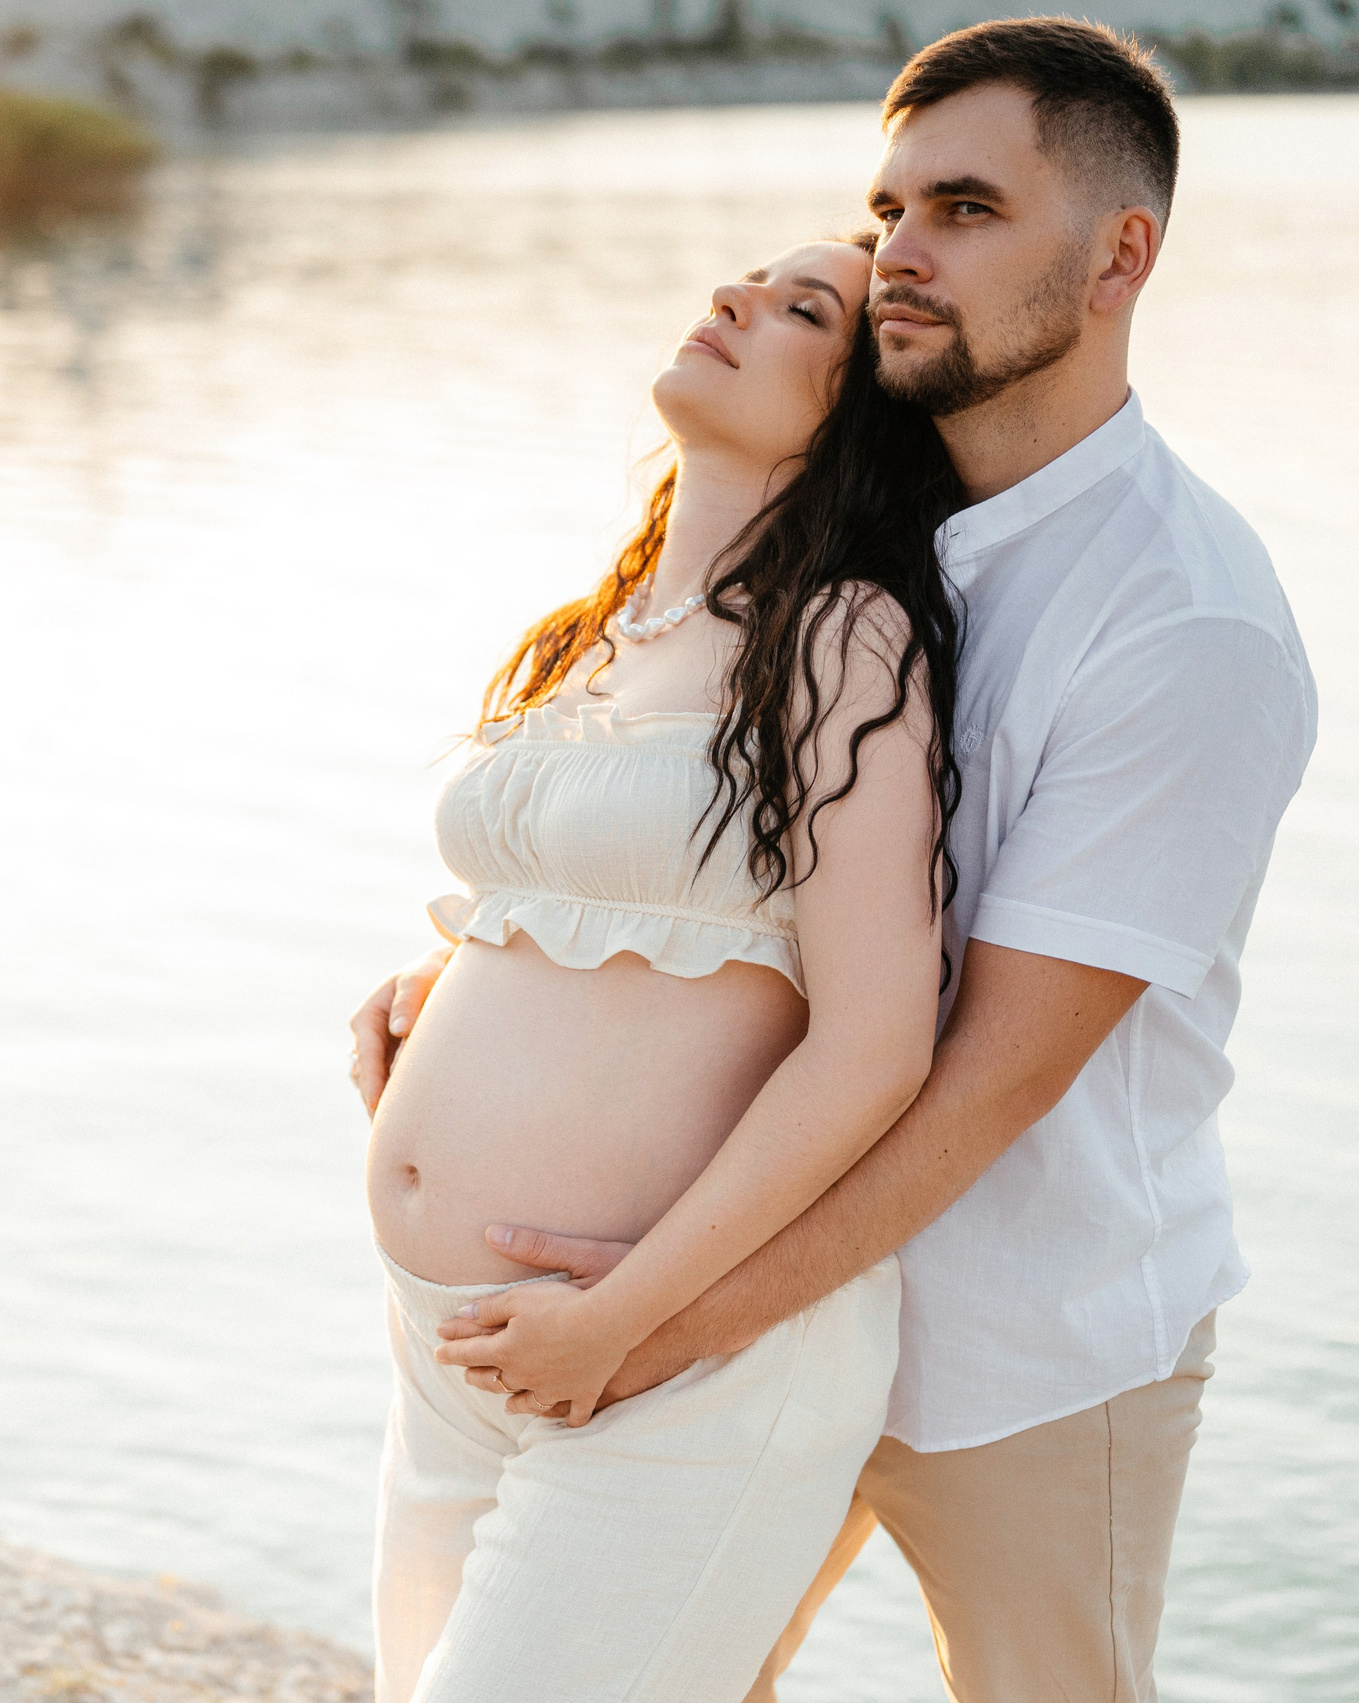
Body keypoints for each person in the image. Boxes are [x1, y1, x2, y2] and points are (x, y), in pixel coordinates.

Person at [354, 20, 1317, 1702]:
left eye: (962, 208)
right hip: (729, 1279)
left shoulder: (1184, 623)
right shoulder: (845, 523)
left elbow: (982, 1078)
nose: (899, 255)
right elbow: (733, 870)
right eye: (888, 208)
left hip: (1014, 1336)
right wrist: (491, 984)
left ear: (1119, 255)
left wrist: (672, 1321)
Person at [359, 222, 967, 1702]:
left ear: (855, 415)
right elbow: (628, 919)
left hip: (675, 1366)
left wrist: (628, 1322)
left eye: (800, 308)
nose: (736, 298)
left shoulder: (843, 645)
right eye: (748, 280)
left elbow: (877, 1044)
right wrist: (439, 1000)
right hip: (454, 1342)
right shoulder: (603, 631)